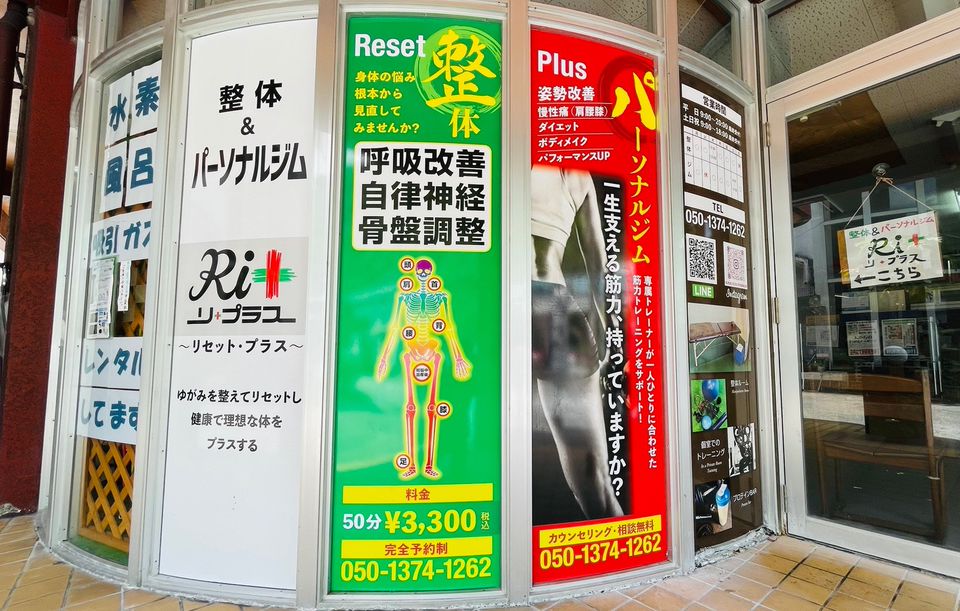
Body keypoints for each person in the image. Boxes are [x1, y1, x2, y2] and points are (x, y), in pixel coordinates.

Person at [531, 164, 624, 520]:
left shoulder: (512, 154)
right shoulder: (578, 175)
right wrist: (609, 334)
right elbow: (599, 264)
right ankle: (616, 544)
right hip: (554, 305)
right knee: (593, 478)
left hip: (502, 302)